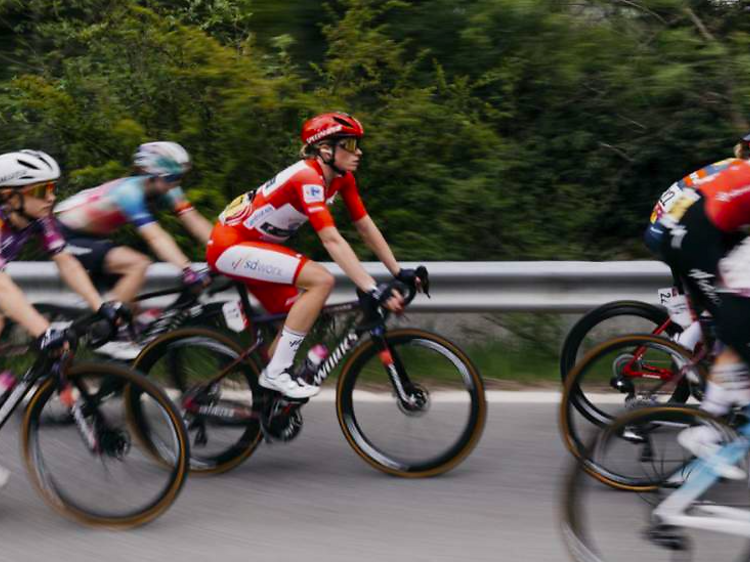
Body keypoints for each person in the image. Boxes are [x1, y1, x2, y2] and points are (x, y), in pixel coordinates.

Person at [207, 112, 418, 399]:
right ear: (325, 149)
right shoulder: (308, 177)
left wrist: (397, 271)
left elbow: (365, 226)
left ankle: (264, 401)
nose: (359, 152)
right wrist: (370, 287)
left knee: (295, 317)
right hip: (229, 246)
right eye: (351, 145)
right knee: (321, 280)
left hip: (256, 247)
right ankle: (276, 374)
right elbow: (331, 239)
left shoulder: (342, 179)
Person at [0, 149, 125, 488]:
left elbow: (67, 262)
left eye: (53, 187)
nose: (52, 196)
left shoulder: (39, 219)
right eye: (42, 190)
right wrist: (42, 331)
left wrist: (101, 305)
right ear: (10, 196)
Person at [657, 134, 750, 478]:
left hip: (694, 227)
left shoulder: (738, 168)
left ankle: (723, 402)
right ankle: (708, 429)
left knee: (733, 317)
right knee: (734, 320)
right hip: (688, 234)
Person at [54, 142, 213, 306]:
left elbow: (194, 220)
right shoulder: (129, 193)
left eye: (180, 178)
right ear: (152, 175)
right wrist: (186, 269)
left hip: (94, 238)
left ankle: (118, 322)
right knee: (138, 263)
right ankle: (107, 321)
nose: (175, 185)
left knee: (133, 312)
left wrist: (224, 249)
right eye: (171, 178)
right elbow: (155, 237)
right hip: (66, 236)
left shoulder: (168, 189)